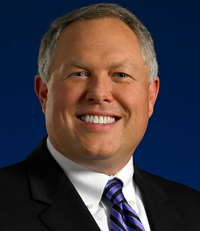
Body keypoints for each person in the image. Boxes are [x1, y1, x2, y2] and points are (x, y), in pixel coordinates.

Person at [0, 3, 200, 231]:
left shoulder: (194, 211)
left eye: (121, 74)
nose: (99, 93)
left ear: (151, 96)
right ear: (44, 93)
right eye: (79, 73)